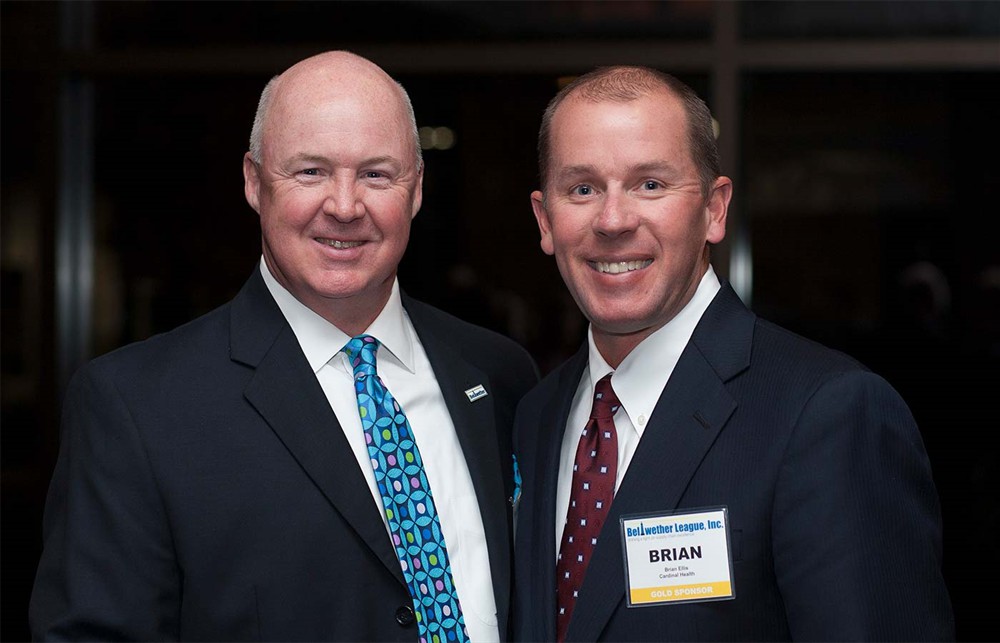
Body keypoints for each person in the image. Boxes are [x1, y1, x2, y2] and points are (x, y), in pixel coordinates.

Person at [30, 51, 538, 641]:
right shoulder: (137, 407)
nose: (345, 206)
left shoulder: (499, 375)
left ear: (416, 190)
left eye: (376, 174)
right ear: (253, 181)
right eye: (310, 172)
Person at [511, 66, 953, 641]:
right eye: (583, 189)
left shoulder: (828, 413)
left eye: (650, 184)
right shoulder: (535, 415)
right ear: (546, 220)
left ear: (715, 210)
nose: (613, 220)